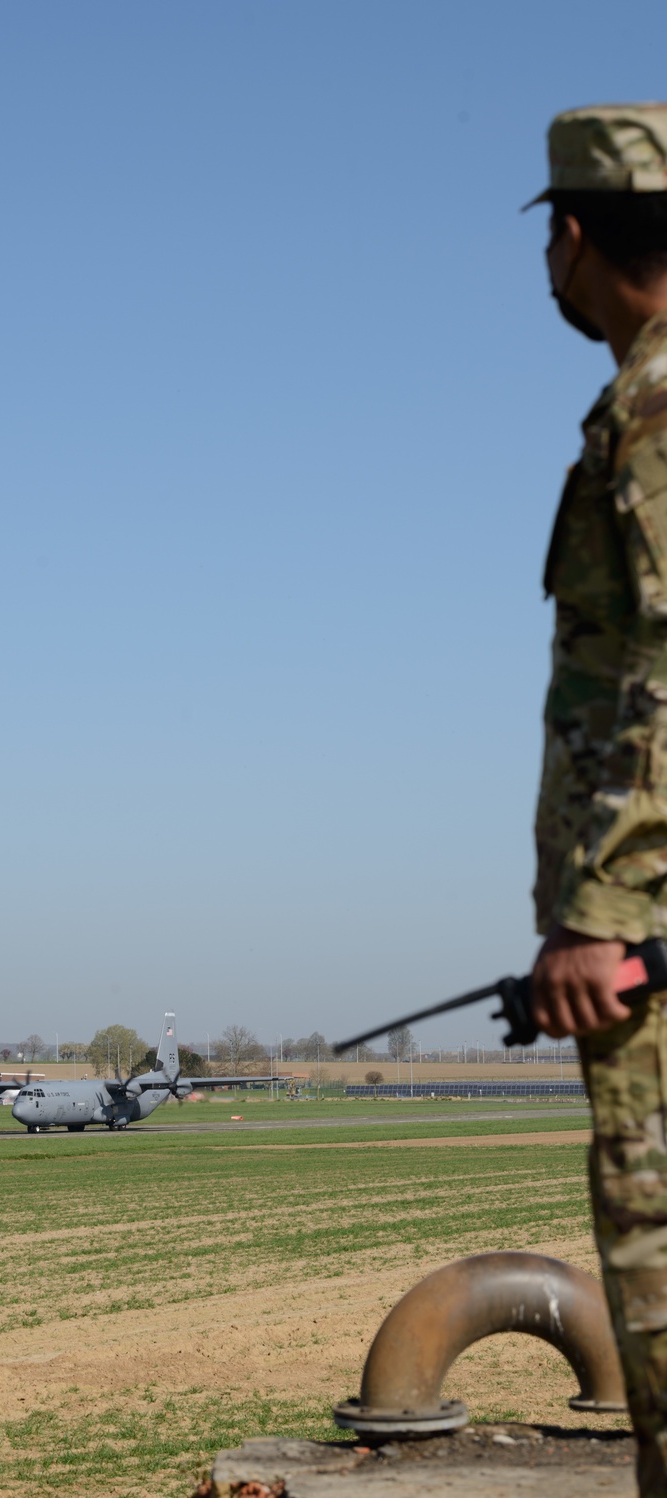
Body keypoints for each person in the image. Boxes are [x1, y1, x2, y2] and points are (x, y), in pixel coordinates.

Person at [528, 103, 667, 1494]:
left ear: (576, 234)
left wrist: (598, 912)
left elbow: (662, 674)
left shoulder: (656, 409)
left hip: (650, 959)